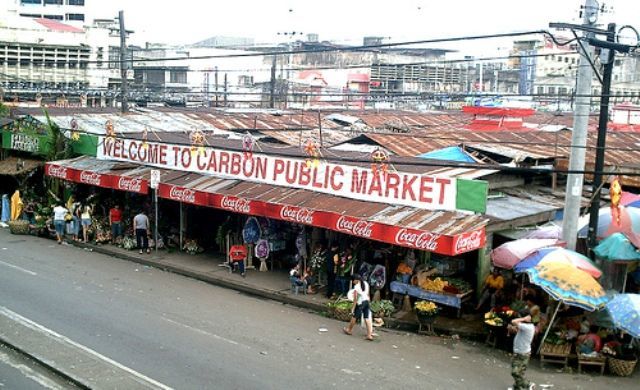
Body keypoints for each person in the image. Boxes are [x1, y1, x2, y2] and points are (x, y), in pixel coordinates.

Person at [508, 307, 540, 390]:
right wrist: (512, 329)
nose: (520, 319)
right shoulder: (526, 326)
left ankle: (529, 384)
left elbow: (513, 321)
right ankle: (517, 387)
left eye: (521, 317)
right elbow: (517, 330)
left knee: (515, 372)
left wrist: (523, 318)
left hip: (522, 354)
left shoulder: (528, 327)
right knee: (519, 373)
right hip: (519, 352)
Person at [343, 274, 374, 341]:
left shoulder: (356, 287)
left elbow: (355, 299)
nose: (352, 282)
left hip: (360, 303)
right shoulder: (366, 283)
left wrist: (353, 308)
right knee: (366, 317)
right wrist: (369, 302)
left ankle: (349, 330)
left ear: (356, 280)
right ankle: (369, 334)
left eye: (353, 280)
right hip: (366, 302)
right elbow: (368, 294)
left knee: (354, 317)